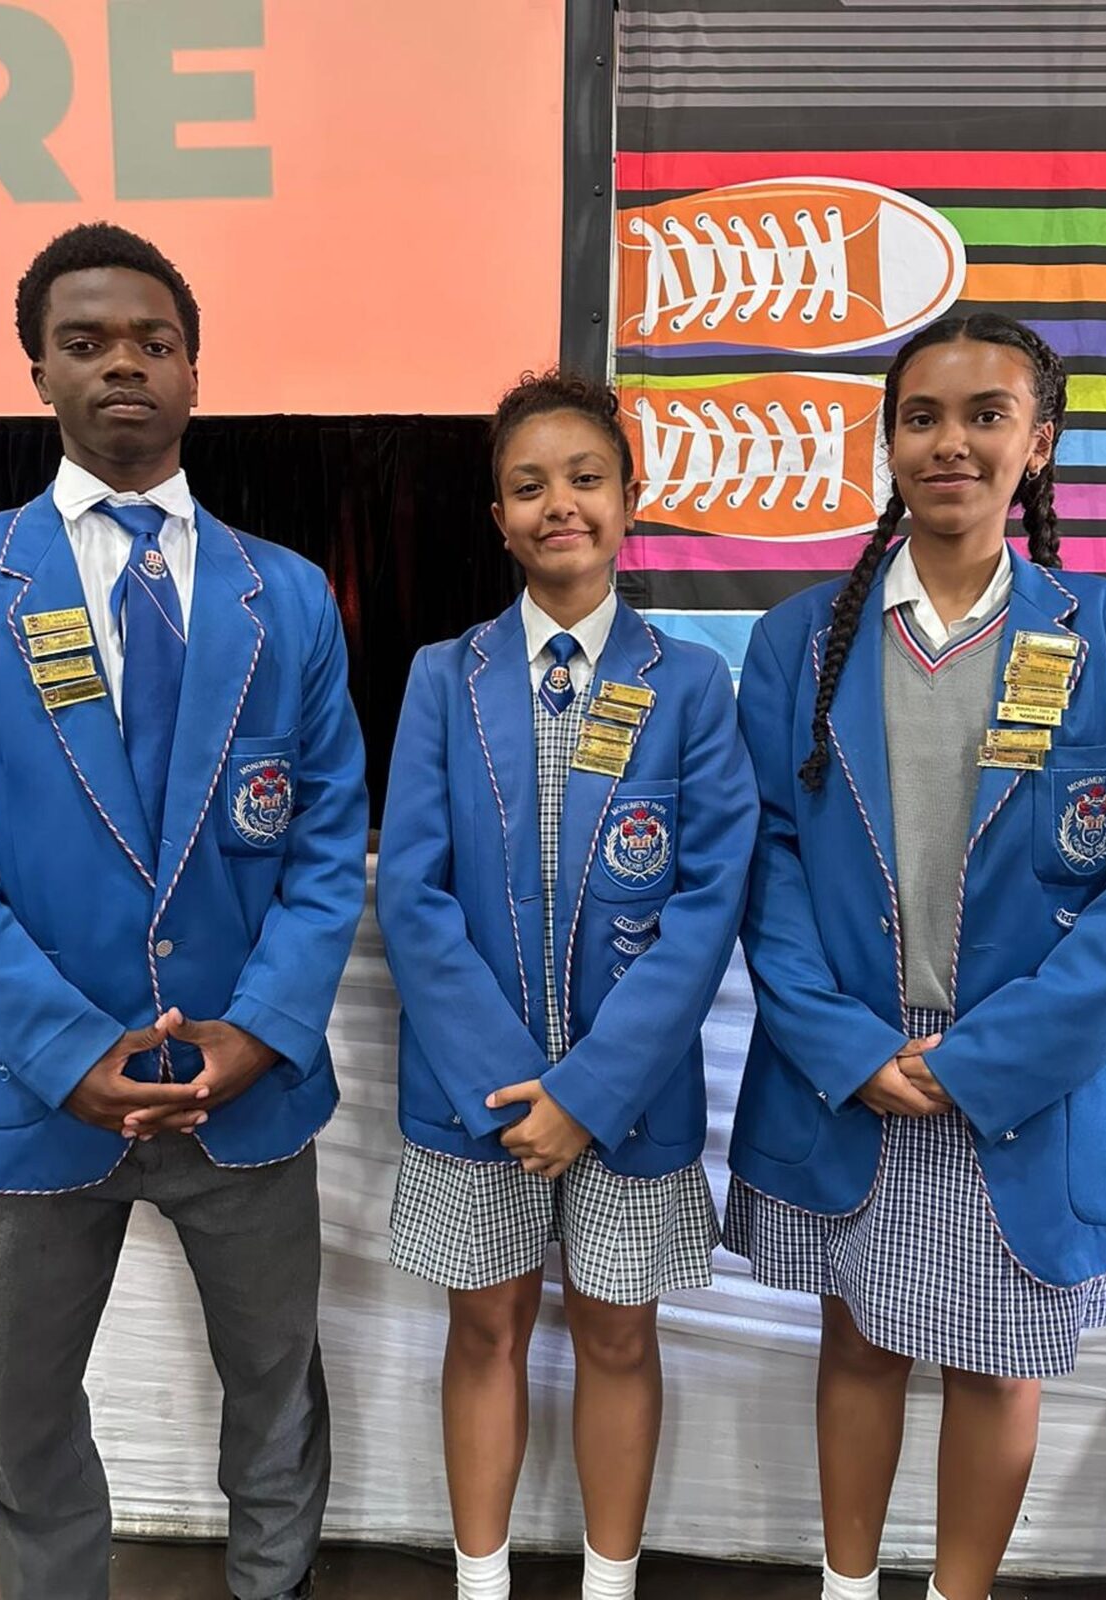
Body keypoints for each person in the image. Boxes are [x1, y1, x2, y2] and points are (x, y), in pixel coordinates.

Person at [0, 222, 367, 1600]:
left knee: (275, 1389)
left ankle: (269, 1587)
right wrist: (68, 1054)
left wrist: (262, 1031)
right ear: (37, 371)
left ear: (194, 369)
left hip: (247, 1089)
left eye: (153, 342)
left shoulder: (283, 593)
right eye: (87, 341)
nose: (124, 363)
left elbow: (328, 837)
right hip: (32, 1092)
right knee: (28, 1419)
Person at [722, 313, 1106, 1600]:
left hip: (1021, 1075)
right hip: (859, 1064)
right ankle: (848, 1589)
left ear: (1039, 447)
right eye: (921, 416)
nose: (951, 441)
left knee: (1001, 1364)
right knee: (858, 1339)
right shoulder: (798, 641)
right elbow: (767, 864)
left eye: (986, 415)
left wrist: (990, 1059)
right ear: (888, 442)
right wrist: (848, 1046)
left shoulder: (1104, 631)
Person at [376, 370, 756, 1600]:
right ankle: (480, 1582)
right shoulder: (445, 675)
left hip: (630, 1100)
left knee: (617, 1332)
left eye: (585, 478)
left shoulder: (692, 686)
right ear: (497, 516)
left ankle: (608, 1581)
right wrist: (515, 1084)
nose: (560, 505)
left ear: (629, 499)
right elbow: (415, 893)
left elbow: (707, 905)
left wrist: (587, 1089)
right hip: (473, 1098)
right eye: (529, 486)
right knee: (483, 1330)